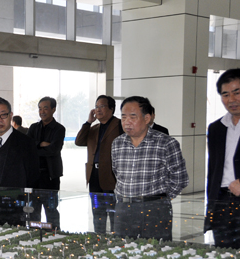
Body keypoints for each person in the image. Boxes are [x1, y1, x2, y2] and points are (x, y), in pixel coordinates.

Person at [112, 96, 188, 240]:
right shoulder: (117, 143)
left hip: (154, 209)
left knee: (156, 250)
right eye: (123, 117)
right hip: (123, 208)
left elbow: (180, 179)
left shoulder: (166, 143)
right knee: (122, 249)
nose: (127, 122)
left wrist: (160, 201)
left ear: (147, 118)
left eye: (132, 117)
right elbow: (117, 173)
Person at [0, 97, 39, 225]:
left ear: (11, 115)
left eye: (3, 115)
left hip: (16, 206)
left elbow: (33, 176)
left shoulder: (26, 142)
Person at [75, 95, 123, 234]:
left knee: (114, 212)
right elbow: (79, 141)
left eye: (102, 106)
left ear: (111, 109)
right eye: (96, 107)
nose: (98, 109)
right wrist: (88, 122)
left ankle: (116, 238)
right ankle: (99, 238)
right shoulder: (94, 128)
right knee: (98, 212)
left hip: (112, 175)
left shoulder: (119, 125)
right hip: (94, 175)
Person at [205, 68, 240, 248]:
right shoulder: (216, 128)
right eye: (225, 94)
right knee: (224, 255)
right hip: (222, 204)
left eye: (237, 92)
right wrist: (211, 208)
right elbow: (213, 171)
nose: (231, 99)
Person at [27, 97, 65, 229]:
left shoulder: (59, 129)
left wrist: (35, 148)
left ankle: (55, 235)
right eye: (40, 108)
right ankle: (33, 235)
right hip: (34, 178)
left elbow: (53, 150)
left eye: (45, 108)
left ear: (53, 109)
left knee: (51, 211)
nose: (42, 111)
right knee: (33, 211)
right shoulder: (33, 127)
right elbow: (27, 148)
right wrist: (41, 144)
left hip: (50, 177)